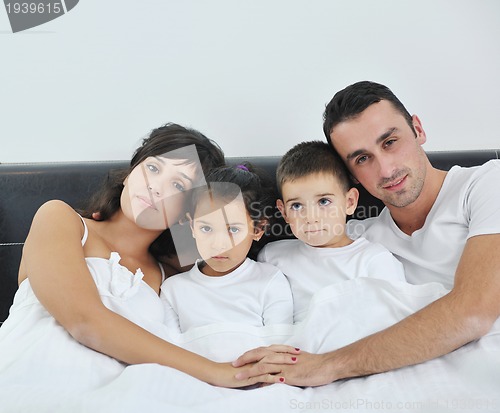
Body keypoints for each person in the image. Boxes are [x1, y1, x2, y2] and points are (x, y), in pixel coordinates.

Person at [232, 80, 500, 387]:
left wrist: (328, 366)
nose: (385, 170)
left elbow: (475, 312)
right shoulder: (358, 239)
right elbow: (207, 256)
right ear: (351, 179)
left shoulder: (487, 184)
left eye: (389, 142)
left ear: (418, 130)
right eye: (362, 158)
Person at [0, 122, 298, 393]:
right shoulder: (61, 219)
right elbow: (84, 321)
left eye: (179, 185)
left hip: (124, 395)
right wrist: (219, 374)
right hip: (28, 381)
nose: (156, 186)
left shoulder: (174, 277)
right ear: (130, 172)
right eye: (153, 169)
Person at [257, 141, 406, 322]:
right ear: (284, 212)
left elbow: (395, 323)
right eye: (296, 205)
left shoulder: (374, 259)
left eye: (324, 202)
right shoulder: (272, 256)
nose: (311, 218)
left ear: (350, 202)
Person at [161, 163, 294, 334]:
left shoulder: (270, 281)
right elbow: (170, 351)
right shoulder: (173, 290)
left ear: (258, 229)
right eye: (206, 228)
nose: (218, 244)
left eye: (233, 230)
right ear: (192, 226)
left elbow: (279, 346)